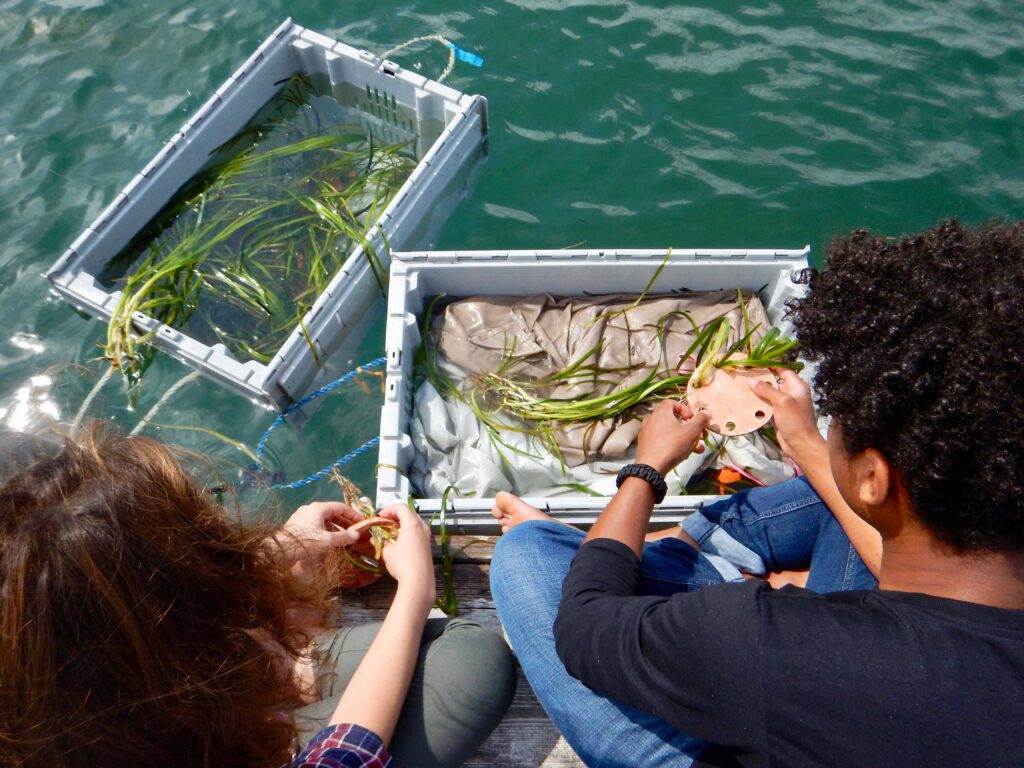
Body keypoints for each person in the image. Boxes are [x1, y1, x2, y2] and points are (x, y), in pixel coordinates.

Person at [490, 218, 1024, 767]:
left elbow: (585, 629)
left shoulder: (769, 643)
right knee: (830, 495)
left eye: (838, 423)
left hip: (768, 690)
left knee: (529, 551)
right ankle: (706, 548)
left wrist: (647, 469)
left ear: (874, 477)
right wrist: (806, 445)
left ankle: (697, 552)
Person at [0, 423, 515, 767]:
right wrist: (414, 591)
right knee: (472, 660)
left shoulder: (50, 691)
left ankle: (285, 689)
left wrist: (276, 552)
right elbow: (346, 754)